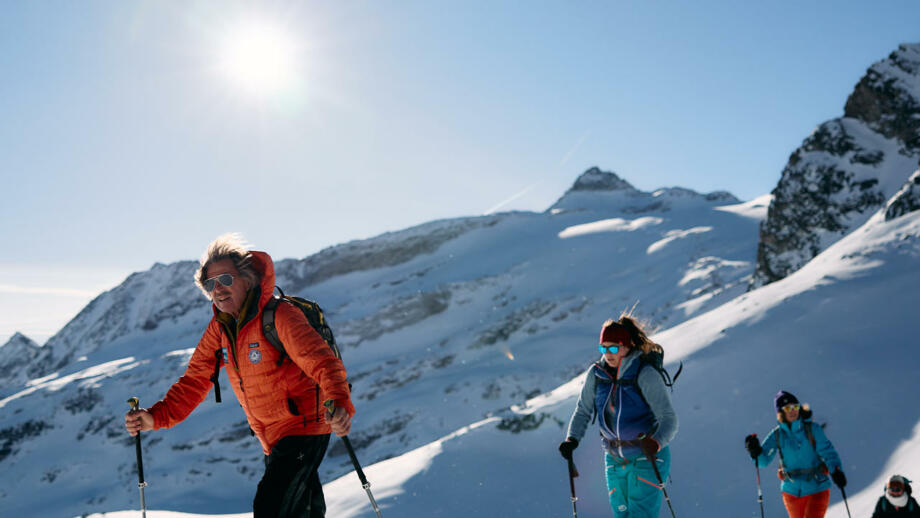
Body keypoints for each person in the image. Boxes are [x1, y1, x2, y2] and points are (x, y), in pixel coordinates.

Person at [124, 234, 354, 518]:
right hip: (272, 437)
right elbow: (195, 380)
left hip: (304, 427)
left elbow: (322, 363)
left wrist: (340, 404)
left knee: (270, 507)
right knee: (302, 511)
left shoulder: (280, 316)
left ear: (248, 279)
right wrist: (154, 417)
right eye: (210, 284)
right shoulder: (220, 329)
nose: (218, 289)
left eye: (226, 280)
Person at [558, 316, 678, 518]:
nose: (607, 354)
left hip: (647, 456)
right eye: (603, 348)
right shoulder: (596, 374)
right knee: (621, 515)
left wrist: (656, 443)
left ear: (627, 346)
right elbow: (583, 410)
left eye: (613, 348)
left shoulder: (644, 373)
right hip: (613, 458)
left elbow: (669, 418)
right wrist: (572, 439)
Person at [744, 391, 845, 518]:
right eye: (787, 408)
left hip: (818, 488)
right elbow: (763, 461)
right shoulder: (777, 434)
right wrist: (754, 450)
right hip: (791, 492)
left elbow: (828, 452)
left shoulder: (812, 429)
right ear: (780, 412)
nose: (792, 411)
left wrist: (836, 471)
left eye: (795, 407)